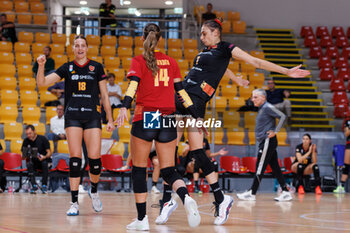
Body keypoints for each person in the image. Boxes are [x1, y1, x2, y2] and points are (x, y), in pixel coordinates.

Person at [159, 17, 309, 225]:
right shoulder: (204, 52)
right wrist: (236, 79)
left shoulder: (226, 48)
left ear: (215, 33)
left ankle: (220, 199)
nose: (201, 36)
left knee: (196, 152)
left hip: (196, 102)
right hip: (181, 96)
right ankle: (167, 200)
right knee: (169, 149)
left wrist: (286, 71)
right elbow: (221, 68)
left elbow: (255, 62)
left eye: (204, 33)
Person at [116, 23, 202, 230]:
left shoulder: (138, 60)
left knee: (138, 169)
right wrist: (196, 115)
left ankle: (142, 220)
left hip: (147, 116)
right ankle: (186, 197)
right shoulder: (171, 62)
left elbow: (133, 85)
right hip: (167, 117)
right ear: (161, 39)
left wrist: (124, 106)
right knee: (169, 170)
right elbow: (181, 93)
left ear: (143, 38)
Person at [36, 35, 114, 216]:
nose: (80, 48)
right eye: (77, 45)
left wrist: (109, 119)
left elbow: (105, 96)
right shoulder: (67, 67)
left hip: (93, 117)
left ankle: (93, 190)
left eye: (83, 45)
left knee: (95, 161)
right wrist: (41, 66)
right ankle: (74, 203)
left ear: (87, 48)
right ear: (73, 48)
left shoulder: (97, 67)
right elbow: (42, 83)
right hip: (73, 118)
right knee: (75, 159)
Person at [237, 89, 292, 201]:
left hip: (268, 141)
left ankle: (252, 193)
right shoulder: (262, 108)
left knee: (260, 166)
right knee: (275, 168)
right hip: (265, 141)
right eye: (252, 97)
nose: (253, 100)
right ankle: (286, 192)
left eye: (255, 97)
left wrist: (275, 131)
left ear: (263, 97)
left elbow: (282, 116)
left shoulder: (267, 107)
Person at [21, 125, 52, 194]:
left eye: (30, 133)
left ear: (34, 131)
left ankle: (44, 185)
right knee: (29, 164)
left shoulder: (43, 139)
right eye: (27, 134)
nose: (28, 135)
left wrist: (44, 157)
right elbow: (23, 156)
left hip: (43, 160)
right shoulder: (26, 141)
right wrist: (24, 155)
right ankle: (34, 186)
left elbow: (49, 152)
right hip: (33, 161)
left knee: (44, 163)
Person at [334, 118, 350, 193]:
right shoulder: (347, 120)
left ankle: (342, 186)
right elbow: (346, 133)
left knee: (346, 166)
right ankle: (341, 187)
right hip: (349, 144)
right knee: (346, 166)